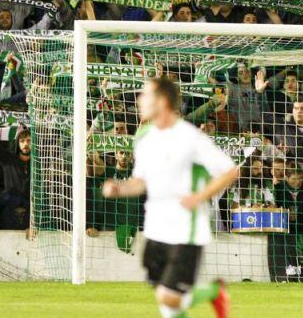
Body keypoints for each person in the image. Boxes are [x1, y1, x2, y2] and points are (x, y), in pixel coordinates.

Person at [101, 76, 239, 318]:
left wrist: (199, 196)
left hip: (187, 228)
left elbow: (230, 170)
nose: (140, 100)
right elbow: (141, 181)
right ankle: (214, 292)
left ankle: (213, 292)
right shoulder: (144, 139)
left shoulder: (190, 137)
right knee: (167, 298)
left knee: (169, 296)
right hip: (156, 227)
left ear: (162, 101)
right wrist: (119, 188)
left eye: (146, 95)